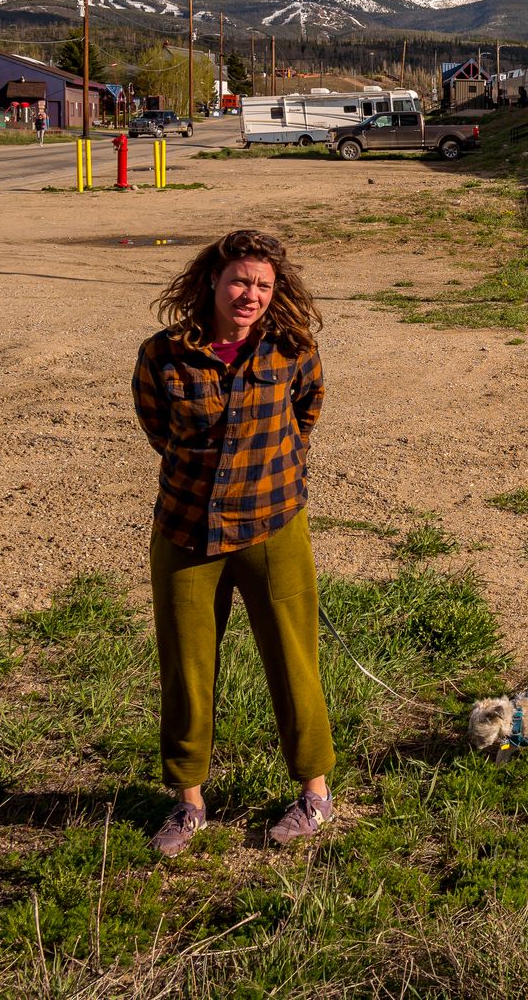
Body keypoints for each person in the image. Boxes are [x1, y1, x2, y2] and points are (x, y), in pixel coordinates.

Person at [132, 229, 336, 858]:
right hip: (186, 531)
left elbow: (306, 414)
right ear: (212, 284)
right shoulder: (162, 355)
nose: (250, 295)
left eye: (263, 285)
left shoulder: (292, 350)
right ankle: (188, 801)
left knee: (294, 659)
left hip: (274, 526)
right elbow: (158, 427)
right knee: (186, 669)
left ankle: (315, 793)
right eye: (240, 281)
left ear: (278, 293)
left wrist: (269, 474)